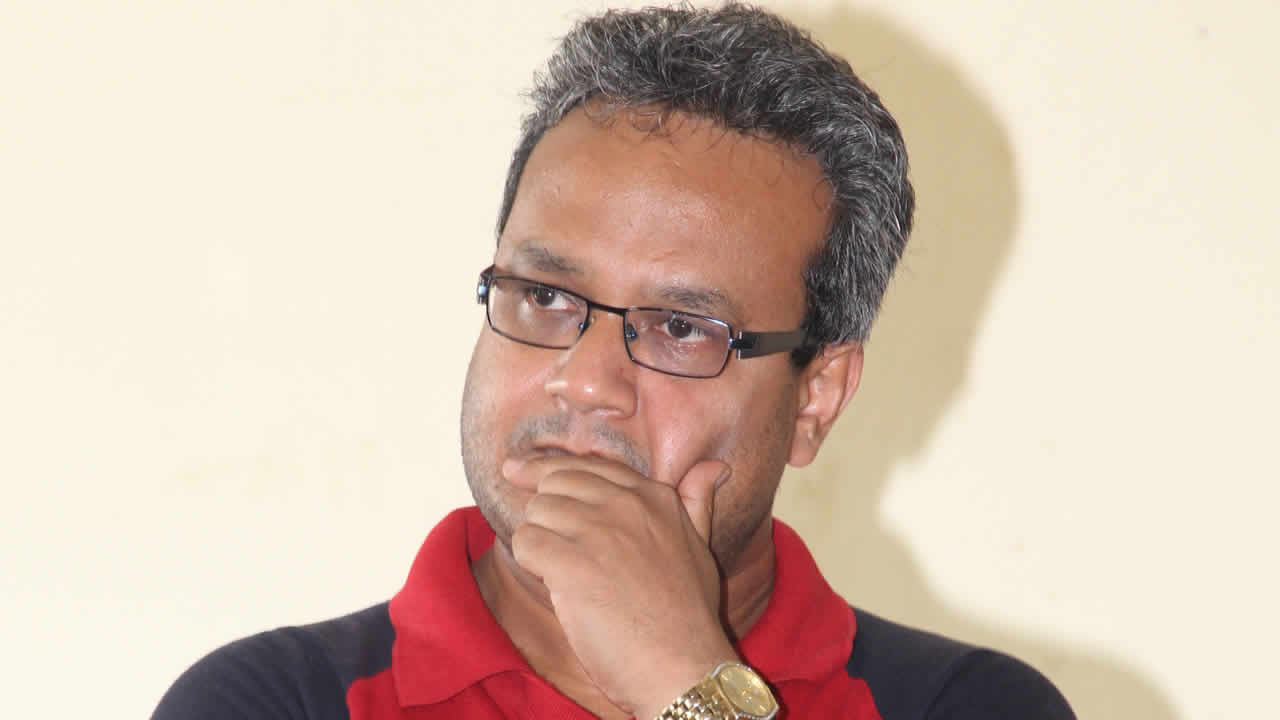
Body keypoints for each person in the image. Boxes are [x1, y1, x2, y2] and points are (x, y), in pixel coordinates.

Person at [153, 4, 1074, 719]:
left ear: (815, 398)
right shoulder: (273, 701)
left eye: (680, 328)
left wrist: (684, 681)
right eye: (547, 297)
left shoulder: (968, 706)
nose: (585, 380)